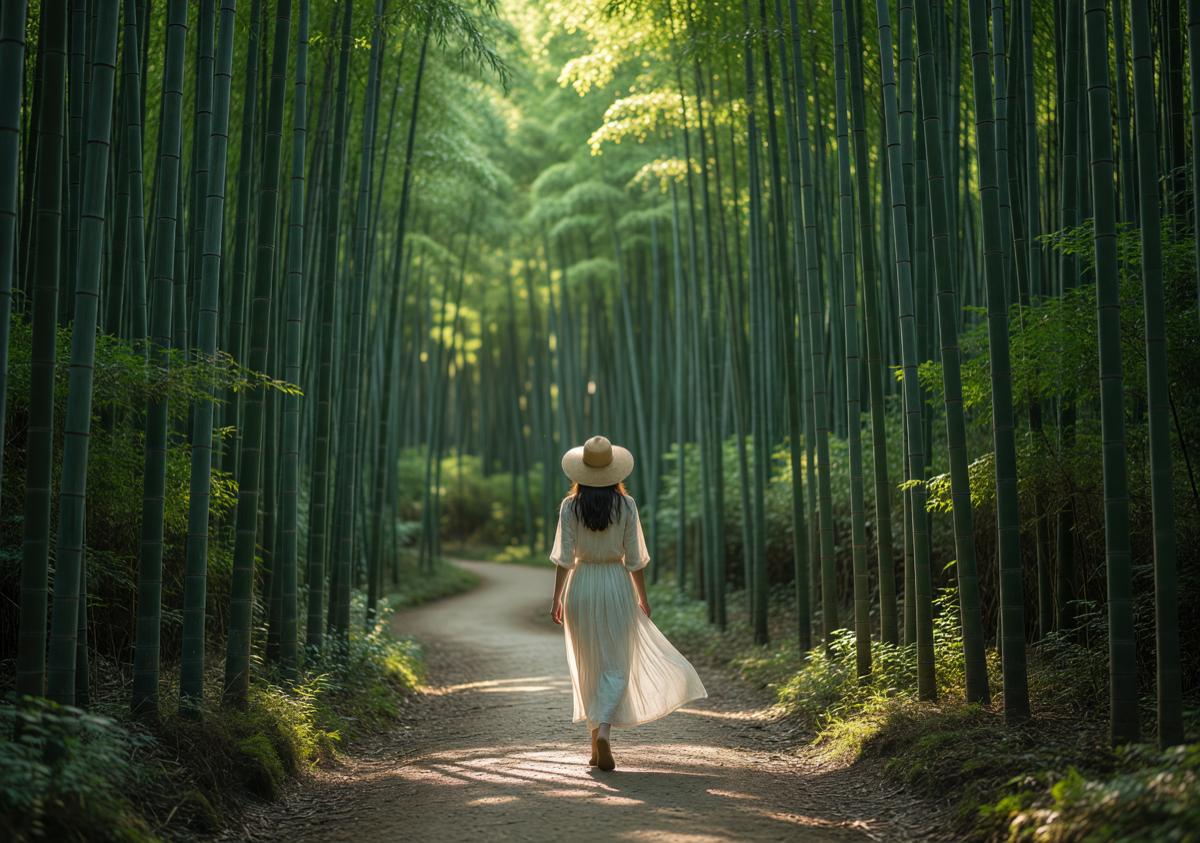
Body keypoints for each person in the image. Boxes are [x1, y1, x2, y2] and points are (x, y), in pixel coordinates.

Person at [549, 435, 707, 772]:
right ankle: (603, 732)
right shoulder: (627, 506)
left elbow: (564, 559)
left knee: (588, 661)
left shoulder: (569, 507)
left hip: (581, 587)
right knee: (616, 663)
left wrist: (557, 598)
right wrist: (642, 598)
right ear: (614, 472)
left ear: (581, 473)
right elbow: (635, 560)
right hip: (617, 585)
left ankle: (595, 741)